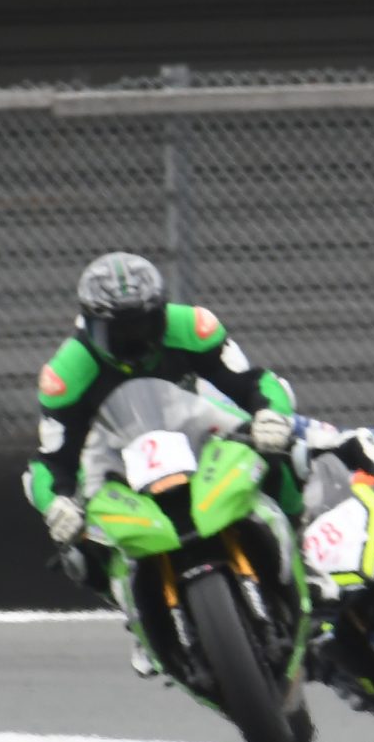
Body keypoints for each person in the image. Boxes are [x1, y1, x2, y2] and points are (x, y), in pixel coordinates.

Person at [26, 253, 301, 611]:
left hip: (193, 427)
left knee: (281, 451)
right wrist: (57, 504)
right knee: (78, 545)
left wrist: (270, 415)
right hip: (112, 454)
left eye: (142, 326)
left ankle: (299, 541)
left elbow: (252, 382)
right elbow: (50, 462)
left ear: (162, 313)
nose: (132, 340)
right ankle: (135, 611)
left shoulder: (192, 327)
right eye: (117, 332)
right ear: (89, 326)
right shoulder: (66, 374)